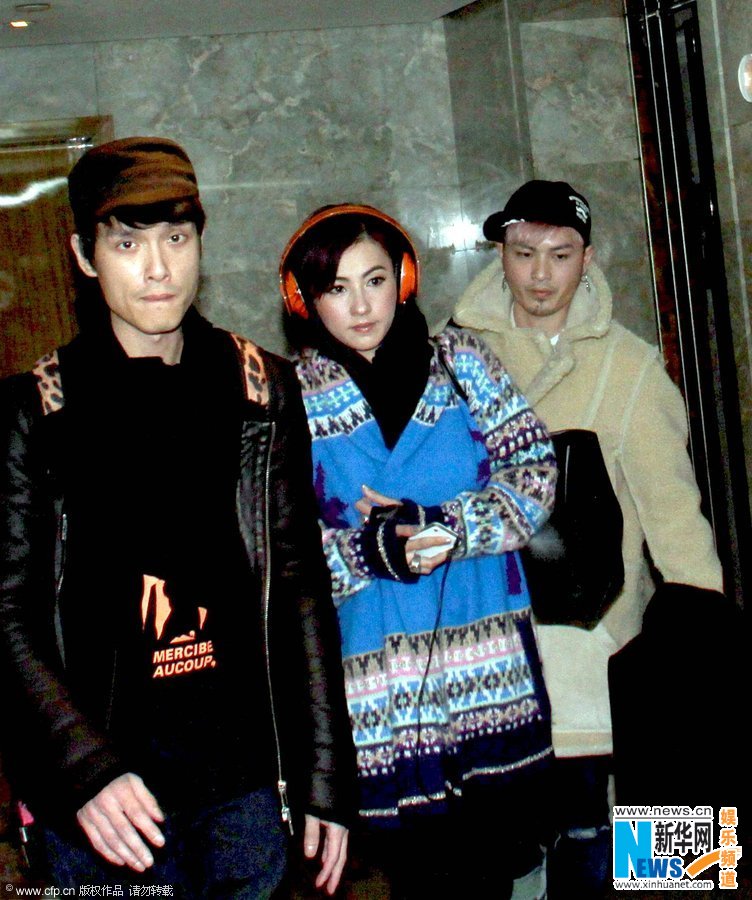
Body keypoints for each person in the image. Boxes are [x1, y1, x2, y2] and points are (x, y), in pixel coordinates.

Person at [0, 137, 354, 898]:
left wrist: (325, 775)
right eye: (128, 243)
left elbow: (299, 585)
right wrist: (82, 768)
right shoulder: (38, 411)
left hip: (241, 790)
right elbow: (7, 615)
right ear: (85, 256)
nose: (158, 268)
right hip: (104, 807)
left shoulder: (261, 391)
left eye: (176, 238)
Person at [452, 179, 724, 896]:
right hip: (489, 671)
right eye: (523, 253)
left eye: (561, 254)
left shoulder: (631, 369)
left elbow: (679, 528)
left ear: (588, 258)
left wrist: (698, 664)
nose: (540, 275)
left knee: (654, 866)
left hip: (602, 668)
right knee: (503, 875)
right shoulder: (450, 362)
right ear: (499, 255)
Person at [278, 203, 557, 899]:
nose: (360, 306)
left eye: (374, 280)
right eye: (336, 288)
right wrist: (368, 551)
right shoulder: (291, 399)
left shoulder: (462, 362)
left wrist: (446, 527)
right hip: (381, 697)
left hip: (489, 676)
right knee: (418, 882)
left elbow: (535, 475)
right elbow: (282, 555)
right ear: (305, 300)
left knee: (497, 876)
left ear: (403, 279)